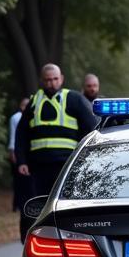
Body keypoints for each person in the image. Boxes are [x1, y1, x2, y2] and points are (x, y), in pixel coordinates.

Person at [15, 64, 97, 235]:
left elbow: (90, 127)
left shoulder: (73, 99)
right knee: (38, 206)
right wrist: (22, 161)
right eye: (47, 80)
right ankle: (39, 237)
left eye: (55, 79)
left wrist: (85, 158)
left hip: (66, 165)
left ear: (61, 79)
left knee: (65, 204)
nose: (51, 83)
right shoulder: (34, 102)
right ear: (41, 80)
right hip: (39, 166)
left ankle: (70, 235)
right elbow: (21, 134)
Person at [8, 97, 30, 212]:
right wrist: (12, 152)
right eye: (23, 105)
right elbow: (13, 136)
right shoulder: (16, 118)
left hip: (27, 153)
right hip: (18, 152)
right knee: (18, 180)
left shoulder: (31, 117)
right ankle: (17, 204)